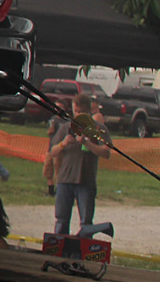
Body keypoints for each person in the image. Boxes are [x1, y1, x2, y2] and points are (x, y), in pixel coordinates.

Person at [46, 93, 111, 235]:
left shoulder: (98, 129)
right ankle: (59, 249)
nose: (78, 114)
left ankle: (85, 250)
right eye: (76, 111)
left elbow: (106, 153)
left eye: (81, 112)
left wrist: (87, 143)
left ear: (89, 111)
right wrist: (63, 144)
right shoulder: (66, 127)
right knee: (61, 219)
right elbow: (53, 151)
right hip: (65, 180)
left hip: (86, 181)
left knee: (86, 222)